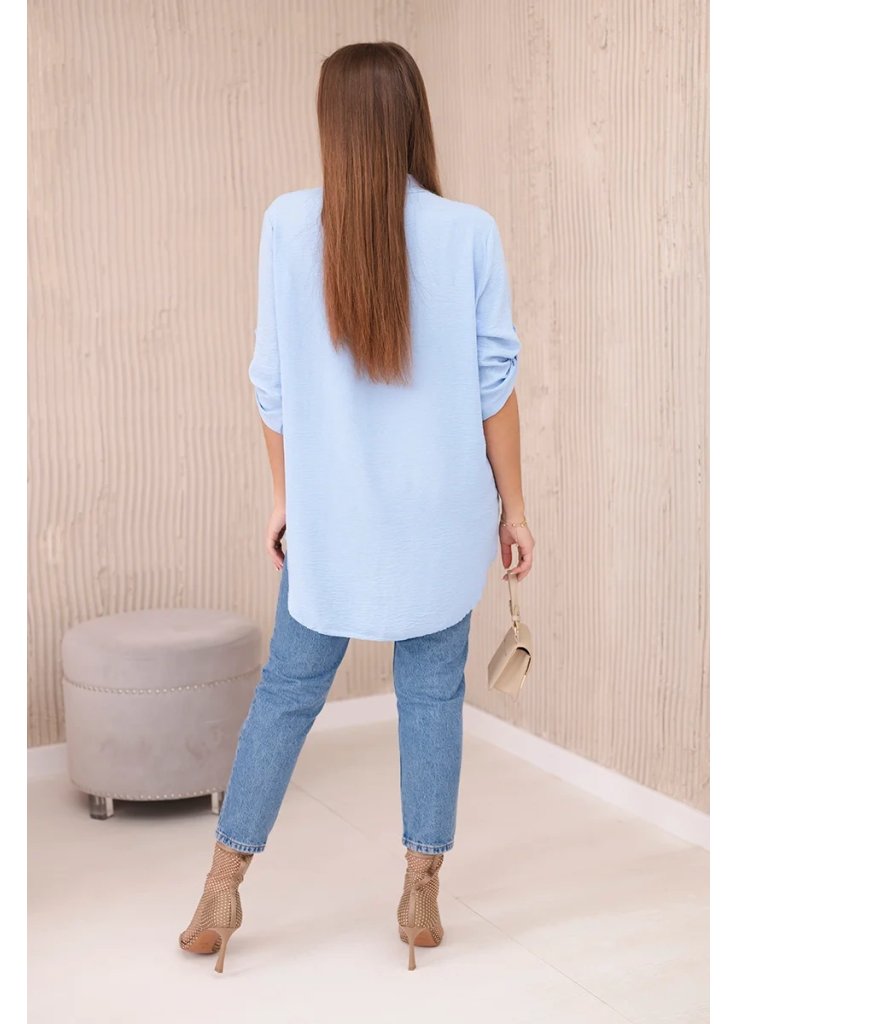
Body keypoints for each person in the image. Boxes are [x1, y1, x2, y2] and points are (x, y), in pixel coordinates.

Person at [178, 40, 534, 973]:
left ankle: (221, 889)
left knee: (286, 694)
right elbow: (495, 387)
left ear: (331, 123)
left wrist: (284, 501)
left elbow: (271, 385)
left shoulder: (288, 225)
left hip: (334, 520)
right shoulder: (468, 231)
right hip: (442, 516)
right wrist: (514, 510)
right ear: (413, 115)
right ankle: (420, 893)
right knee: (432, 697)